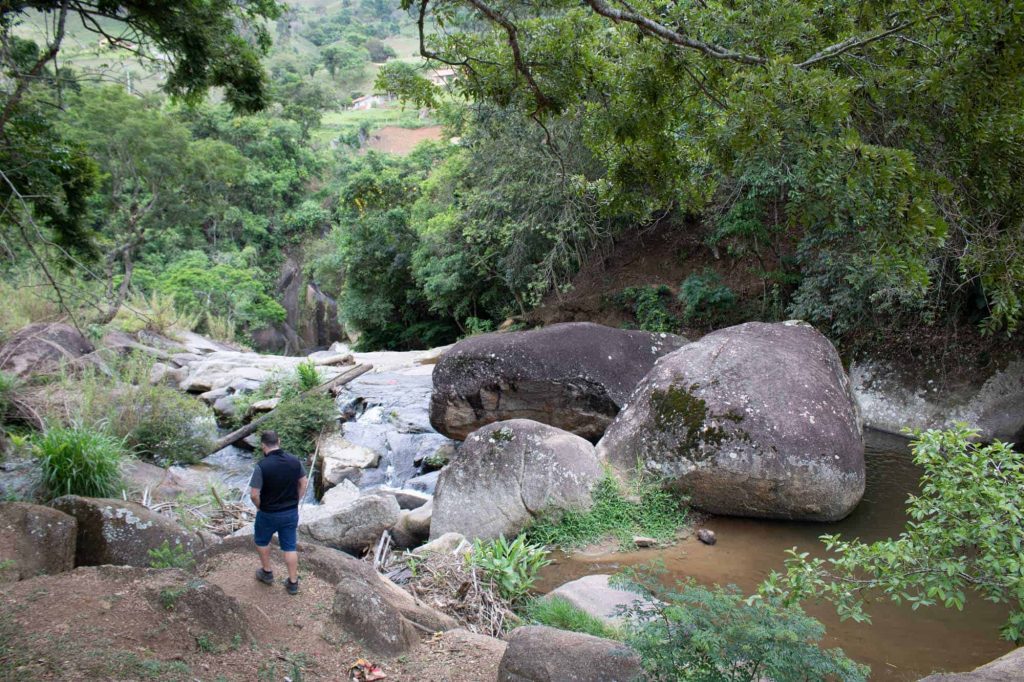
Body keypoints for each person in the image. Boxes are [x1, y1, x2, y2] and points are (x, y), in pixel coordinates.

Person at [249, 430, 307, 595]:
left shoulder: (261, 466)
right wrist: (296, 499)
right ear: (279, 441)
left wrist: (260, 506)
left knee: (262, 541)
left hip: (268, 513)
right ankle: (293, 582)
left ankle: (267, 572)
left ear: (263, 445)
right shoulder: (295, 461)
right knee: (289, 546)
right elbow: (303, 483)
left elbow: (254, 494)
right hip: (290, 512)